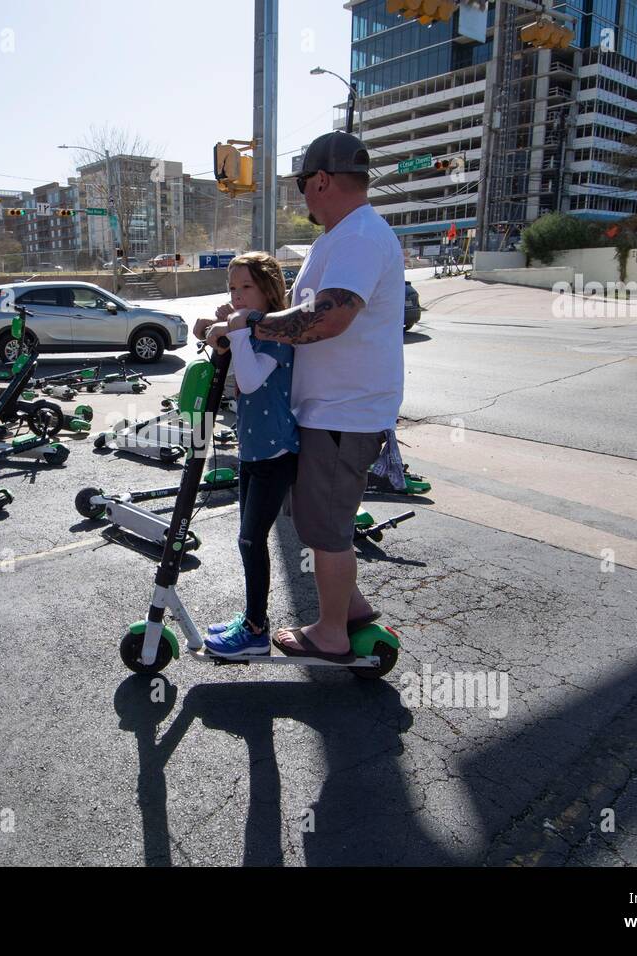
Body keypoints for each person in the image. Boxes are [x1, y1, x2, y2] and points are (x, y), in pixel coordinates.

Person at [201, 130, 405, 663]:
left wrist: (255, 323)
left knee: (327, 528)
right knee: (317, 517)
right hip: (327, 410)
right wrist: (241, 323)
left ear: (320, 180)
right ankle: (351, 607)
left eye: (303, 185)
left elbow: (331, 315)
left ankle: (331, 633)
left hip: (345, 411)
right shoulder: (340, 237)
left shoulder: (359, 237)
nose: (302, 198)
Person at [193, 252, 297, 657]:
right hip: (253, 450)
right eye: (232, 288)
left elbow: (251, 383)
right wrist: (216, 328)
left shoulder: (279, 334)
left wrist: (235, 329)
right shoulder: (251, 330)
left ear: (269, 290)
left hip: (277, 452)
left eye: (245, 287)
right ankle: (254, 618)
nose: (237, 295)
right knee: (246, 541)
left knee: (252, 540)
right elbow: (229, 359)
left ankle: (255, 630)